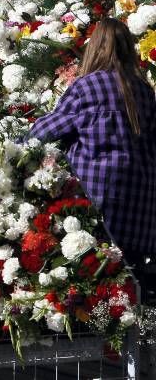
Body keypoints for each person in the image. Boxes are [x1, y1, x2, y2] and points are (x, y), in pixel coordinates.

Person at [28, 17, 156, 263]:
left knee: (103, 266)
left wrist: (20, 140)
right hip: (140, 203)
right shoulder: (144, 90)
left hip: (99, 194)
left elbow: (50, 129)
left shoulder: (87, 86)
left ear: (95, 47)